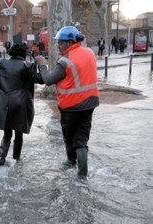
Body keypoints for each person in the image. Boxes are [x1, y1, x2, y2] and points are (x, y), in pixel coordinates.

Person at [34, 26, 99, 181]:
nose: (58, 45)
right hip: (90, 103)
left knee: (70, 139)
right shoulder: (89, 52)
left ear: (70, 42)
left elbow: (48, 80)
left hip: (71, 107)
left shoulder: (65, 61)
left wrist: (42, 64)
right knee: (82, 140)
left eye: (61, 42)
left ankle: (71, 162)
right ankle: (82, 177)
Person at [0, 44, 44, 166]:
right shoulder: (28, 66)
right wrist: (41, 64)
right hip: (20, 104)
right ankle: (16, 159)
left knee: (7, 133)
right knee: (19, 133)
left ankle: (2, 157)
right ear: (24, 54)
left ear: (11, 52)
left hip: (4, 103)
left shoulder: (1, 63)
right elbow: (41, 79)